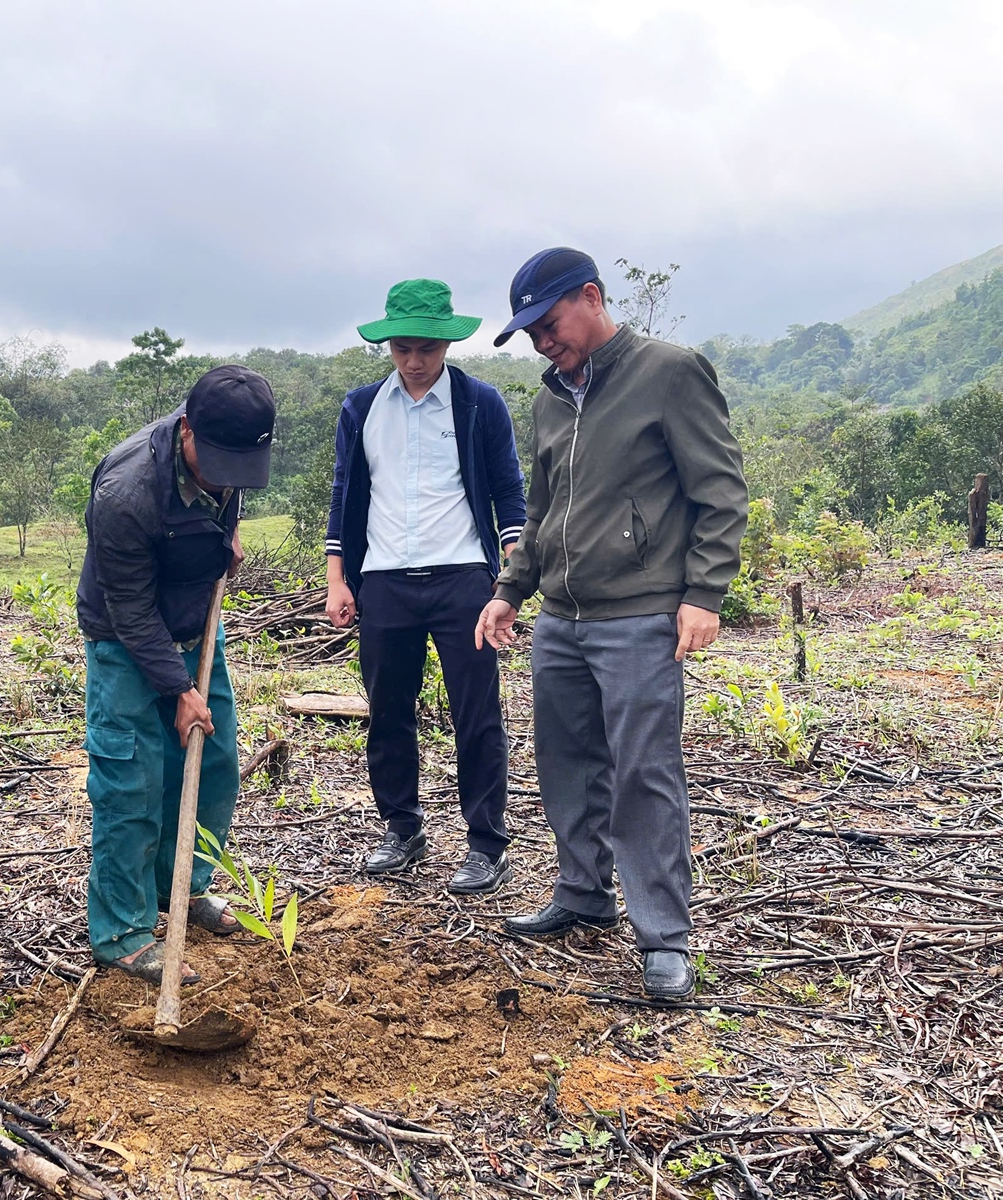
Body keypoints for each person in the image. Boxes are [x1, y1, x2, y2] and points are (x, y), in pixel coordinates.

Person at [476, 248, 748, 999]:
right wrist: (510, 589)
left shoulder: (668, 371)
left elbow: (720, 492)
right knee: (566, 764)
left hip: (640, 614)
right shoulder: (548, 399)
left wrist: (705, 593)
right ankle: (582, 894)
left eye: (548, 322)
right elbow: (542, 512)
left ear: (590, 297)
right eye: (528, 331)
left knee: (643, 772)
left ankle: (664, 936)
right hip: (561, 617)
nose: (541, 341)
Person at [324, 280, 527, 893]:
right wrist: (339, 578)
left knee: (476, 712)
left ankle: (487, 844)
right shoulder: (362, 408)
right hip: (384, 579)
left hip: (463, 578)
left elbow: (508, 492)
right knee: (387, 711)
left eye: (428, 348)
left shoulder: (478, 404)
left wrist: (509, 582)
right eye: (404, 348)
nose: (415, 361)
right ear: (387, 343)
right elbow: (346, 497)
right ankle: (402, 828)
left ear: (447, 343)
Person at [76, 365, 276, 983]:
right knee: (132, 781)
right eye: (217, 463)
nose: (227, 479)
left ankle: (181, 887)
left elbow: (226, 500)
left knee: (213, 767)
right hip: (126, 640)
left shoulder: (227, 459)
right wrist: (180, 689)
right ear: (187, 431)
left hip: (196, 628)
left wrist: (227, 535)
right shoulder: (128, 491)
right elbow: (130, 610)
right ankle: (124, 931)